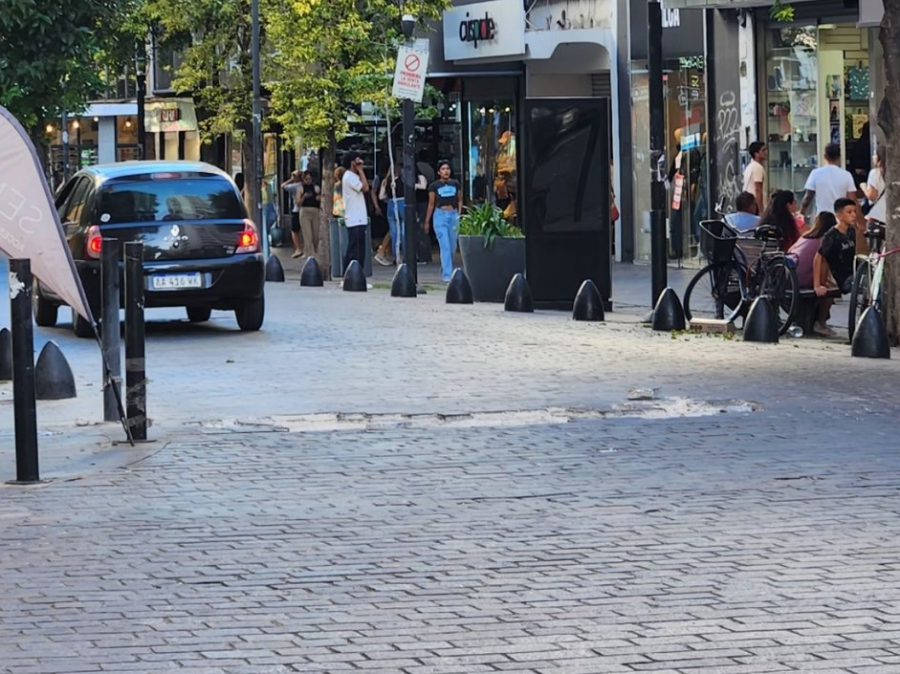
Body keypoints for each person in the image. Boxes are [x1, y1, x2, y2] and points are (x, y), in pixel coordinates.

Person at [812, 198, 858, 336]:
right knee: (830, 292)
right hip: (835, 274)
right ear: (839, 215)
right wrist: (817, 285)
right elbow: (818, 258)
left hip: (849, 271)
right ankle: (820, 322)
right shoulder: (831, 236)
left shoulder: (851, 231)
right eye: (849, 212)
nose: (854, 215)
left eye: (855, 211)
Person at [425, 161, 463, 283]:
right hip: (440, 215)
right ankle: (447, 275)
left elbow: (459, 200)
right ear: (438, 172)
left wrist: (459, 214)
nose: (446, 171)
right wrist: (427, 221)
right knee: (445, 245)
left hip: (453, 215)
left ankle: (445, 267)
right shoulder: (434, 186)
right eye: (443, 169)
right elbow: (431, 204)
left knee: (452, 246)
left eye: (447, 168)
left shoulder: (455, 184)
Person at [800, 143, 858, 218]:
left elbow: (808, 198)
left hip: (822, 218)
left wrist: (801, 213)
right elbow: (852, 199)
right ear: (839, 157)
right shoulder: (846, 175)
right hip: (840, 218)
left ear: (825, 156)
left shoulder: (815, 174)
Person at [788, 211, 836, 289]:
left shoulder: (805, 236)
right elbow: (824, 263)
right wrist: (822, 284)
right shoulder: (824, 241)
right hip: (804, 280)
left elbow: (790, 250)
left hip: (791, 275)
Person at [341, 152, 370, 273]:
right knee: (354, 249)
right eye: (357, 161)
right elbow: (365, 188)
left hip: (359, 217)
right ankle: (349, 273)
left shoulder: (354, 176)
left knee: (360, 249)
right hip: (354, 218)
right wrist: (361, 171)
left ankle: (357, 273)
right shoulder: (349, 177)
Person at [296, 171, 320, 259]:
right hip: (305, 211)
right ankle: (308, 253)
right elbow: (298, 203)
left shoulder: (316, 188)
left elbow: (322, 199)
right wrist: (303, 197)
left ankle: (315, 251)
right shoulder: (300, 188)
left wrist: (319, 198)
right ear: (303, 179)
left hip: (315, 211)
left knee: (316, 234)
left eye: (310, 179)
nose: (308, 181)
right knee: (307, 234)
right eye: (306, 179)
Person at [281, 170, 304, 258]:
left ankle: (298, 249)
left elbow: (283, 186)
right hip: (303, 209)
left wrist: (291, 179)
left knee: (294, 231)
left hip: (297, 210)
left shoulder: (295, 186)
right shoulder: (303, 185)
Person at [742, 142, 768, 213]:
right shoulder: (758, 168)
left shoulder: (750, 167)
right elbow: (758, 189)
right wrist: (761, 210)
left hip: (748, 204)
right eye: (763, 150)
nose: (766, 152)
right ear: (756, 154)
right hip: (755, 206)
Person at [861, 145, 886, 212]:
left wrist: (864, 187)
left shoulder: (875, 173)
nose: (873, 157)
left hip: (878, 210)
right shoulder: (893, 173)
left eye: (875, 154)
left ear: (880, 157)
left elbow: (872, 197)